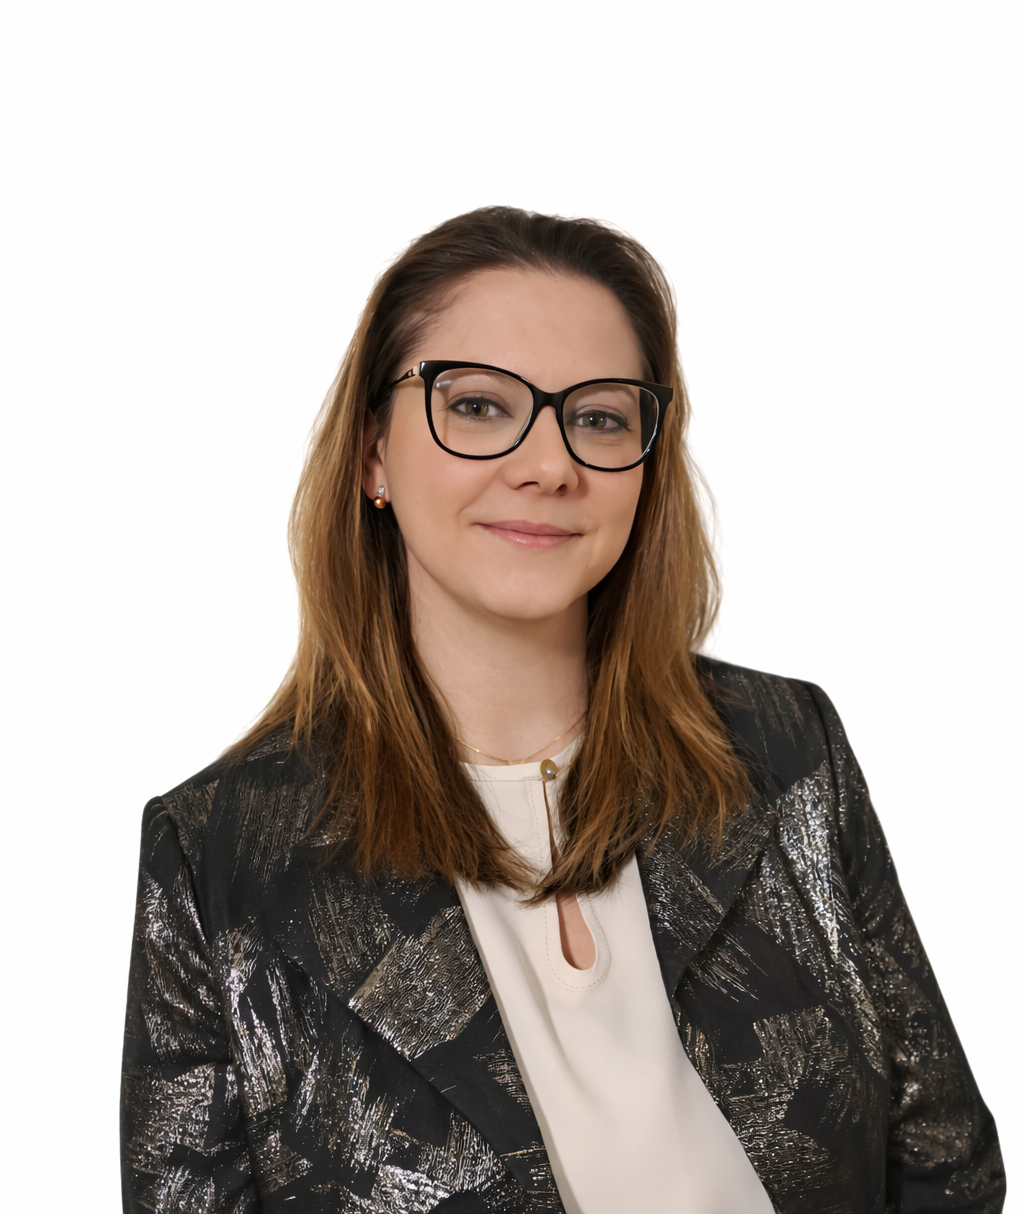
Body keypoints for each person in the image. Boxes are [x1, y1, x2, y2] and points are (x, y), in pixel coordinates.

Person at [120, 207, 1004, 1214]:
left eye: (599, 418)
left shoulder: (785, 749)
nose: (549, 464)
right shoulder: (221, 856)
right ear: (373, 454)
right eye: (479, 405)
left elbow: (948, 1170)